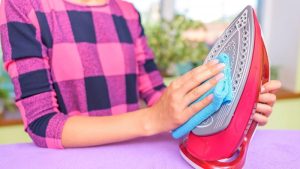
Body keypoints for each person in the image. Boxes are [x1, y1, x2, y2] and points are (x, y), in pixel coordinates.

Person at [0, 0, 281, 149]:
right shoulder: (24, 6)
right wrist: (152, 119)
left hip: (132, 155)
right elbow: (42, 124)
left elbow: (157, 94)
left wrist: (233, 105)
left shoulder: (127, 13)